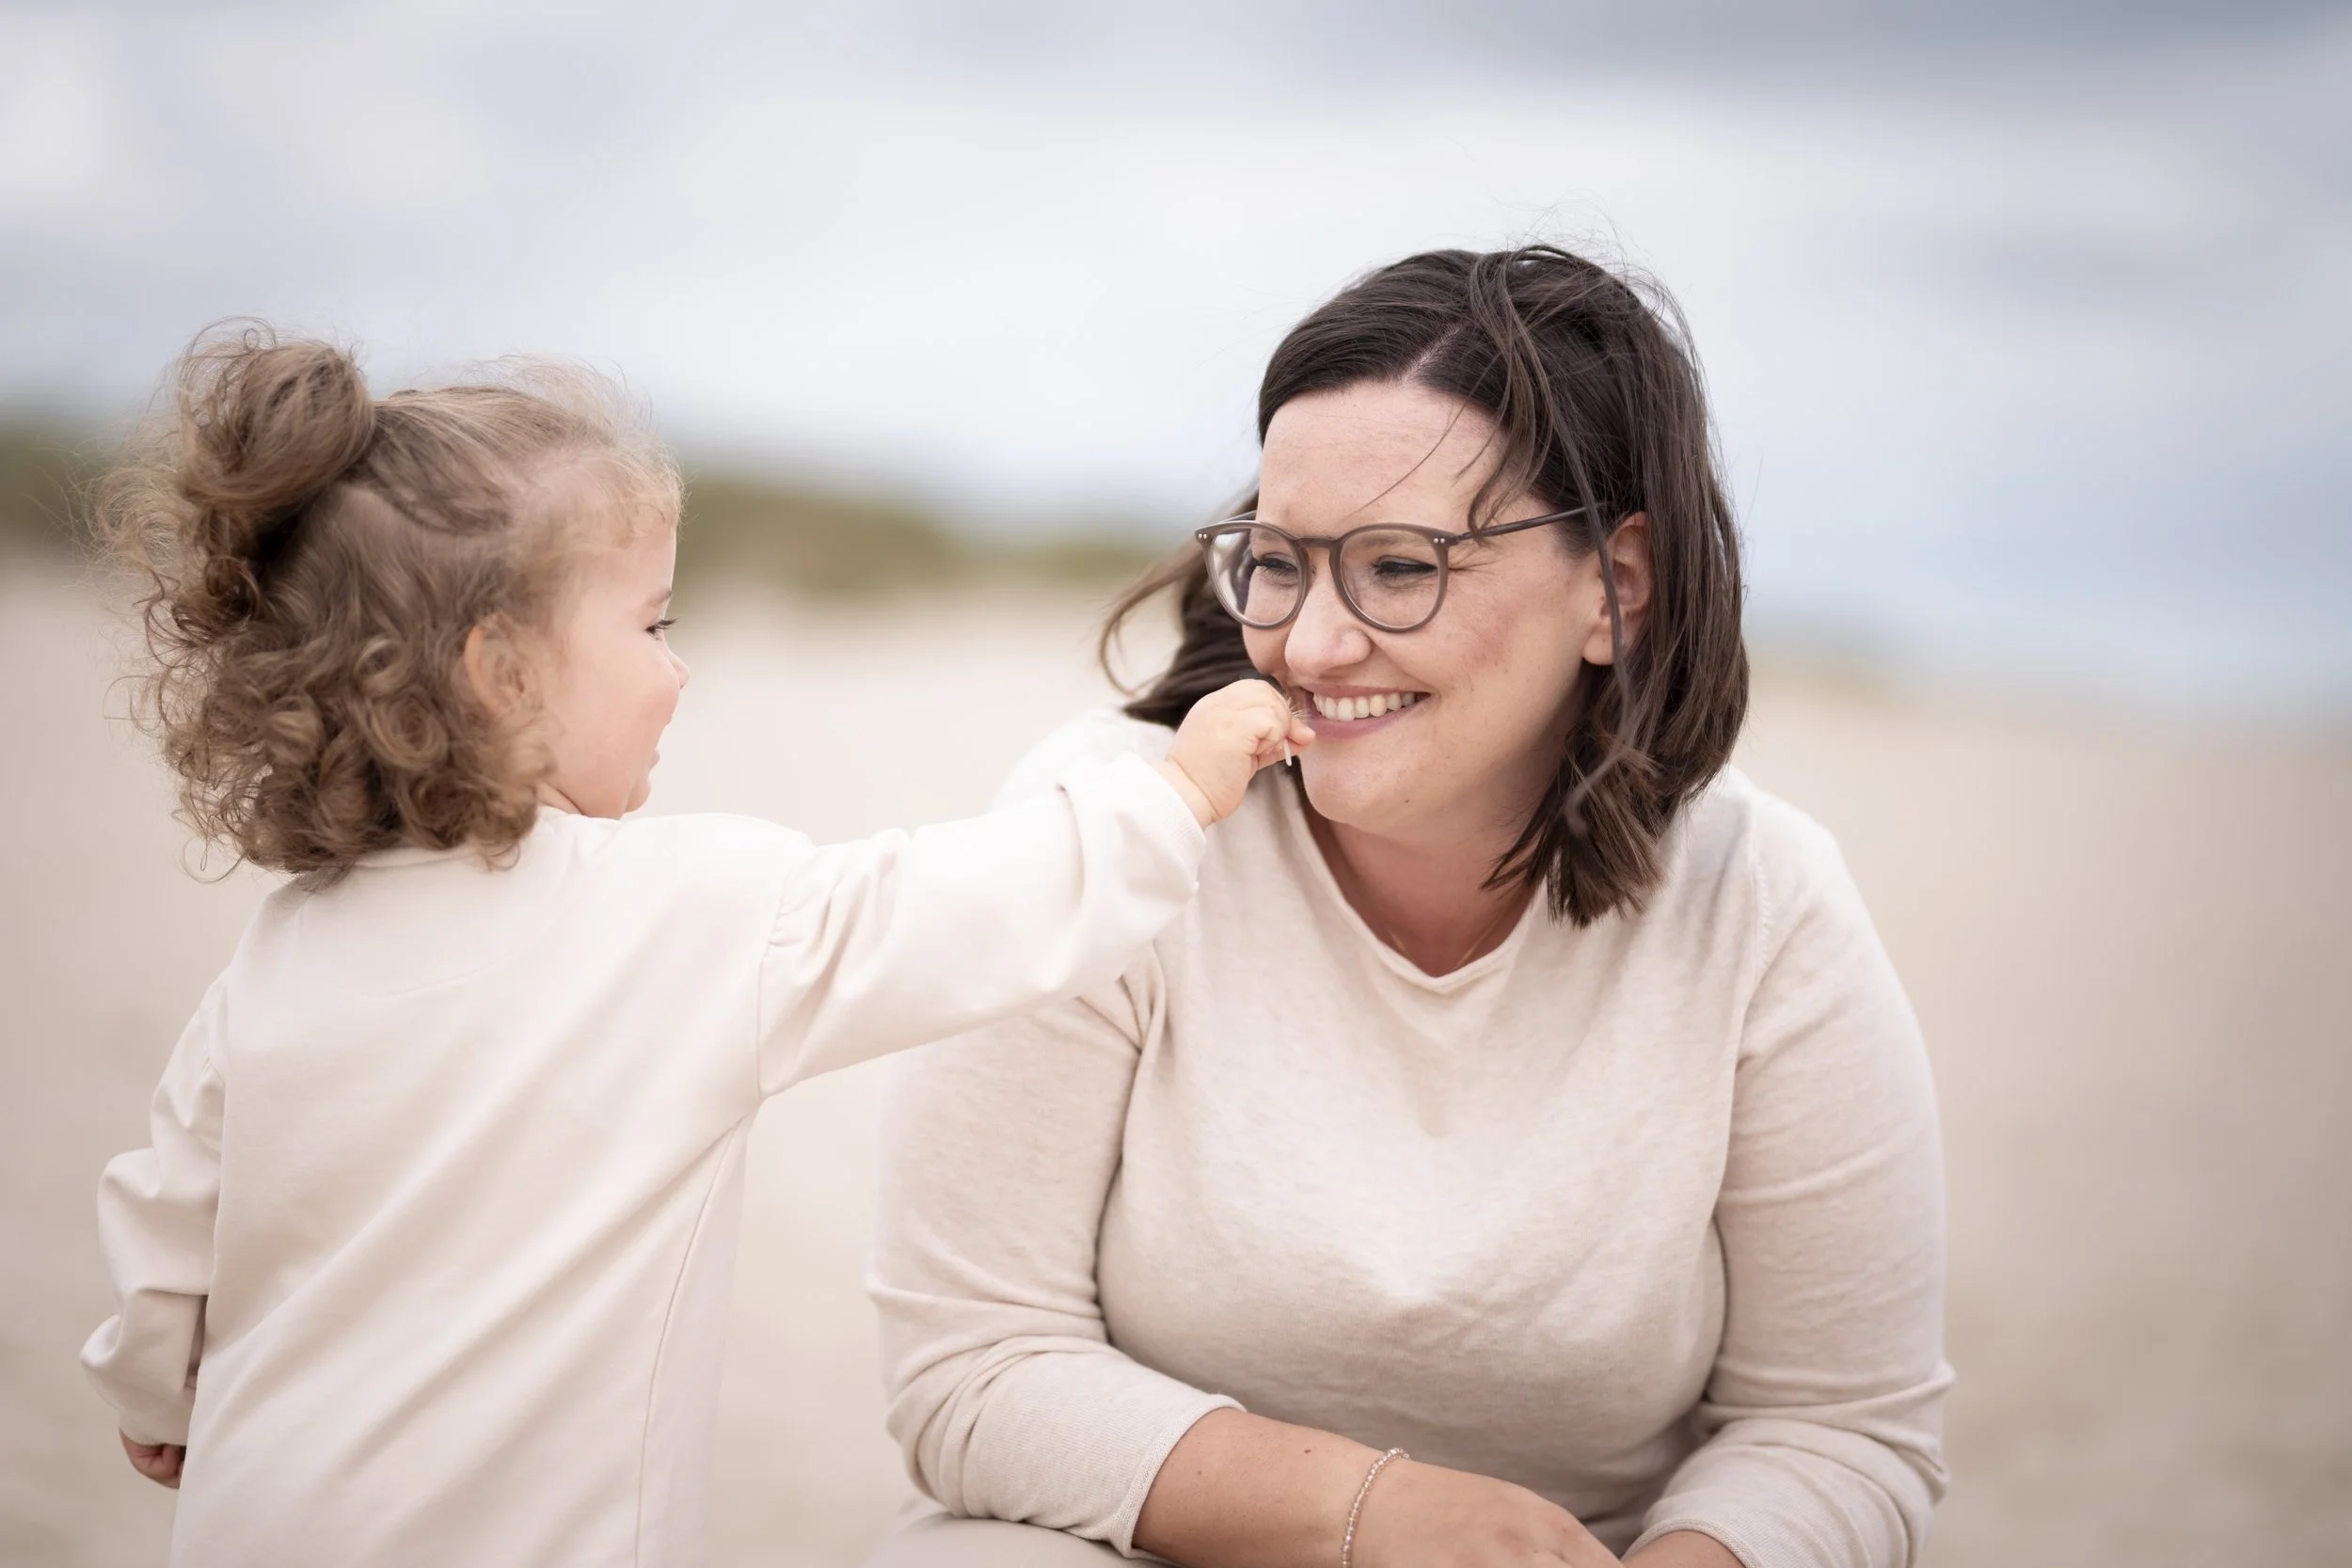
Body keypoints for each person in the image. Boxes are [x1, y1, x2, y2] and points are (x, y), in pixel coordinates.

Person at [78, 327, 1311, 1568]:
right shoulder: (684, 909)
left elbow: (167, 1225)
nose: (677, 671)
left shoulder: (275, 960)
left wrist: (151, 1394)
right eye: (654, 624)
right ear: (501, 672)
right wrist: (1178, 792)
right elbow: (959, 907)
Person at [866, 246, 1951, 1568]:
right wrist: (1374, 1513)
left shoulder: (1760, 902)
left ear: (1622, 586)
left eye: (1399, 567)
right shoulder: (1114, 830)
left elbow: (1837, 1428)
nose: (1312, 646)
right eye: (1277, 561)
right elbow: (974, 1367)